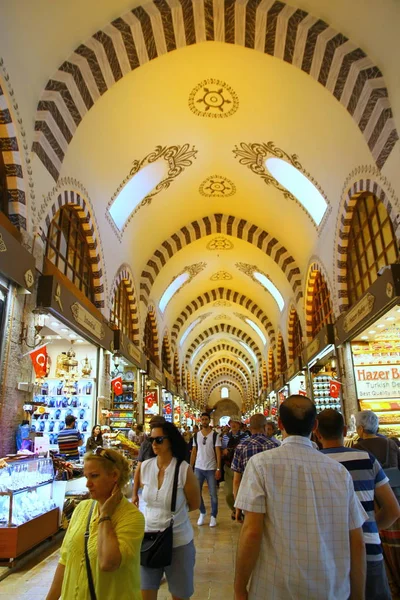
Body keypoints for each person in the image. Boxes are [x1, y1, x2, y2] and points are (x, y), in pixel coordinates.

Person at [234, 395, 368, 600]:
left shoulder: (260, 465)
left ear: (279, 424)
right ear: (315, 425)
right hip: (330, 589)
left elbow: (252, 532)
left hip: (274, 589)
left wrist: (239, 587)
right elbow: (356, 541)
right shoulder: (339, 472)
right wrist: (358, 595)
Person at [317, 408, 400, 600]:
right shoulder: (366, 460)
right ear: (345, 431)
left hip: (327, 554)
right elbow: (393, 509)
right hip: (368, 547)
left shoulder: (313, 463)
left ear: (316, 432)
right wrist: (369, 526)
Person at [46, 448, 144, 600]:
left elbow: (108, 563)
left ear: (114, 476)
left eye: (94, 476)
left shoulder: (132, 517)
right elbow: (65, 561)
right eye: (86, 477)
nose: (88, 484)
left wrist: (105, 516)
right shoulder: (82, 509)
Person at [140, 422, 200, 600]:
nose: (154, 444)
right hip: (149, 540)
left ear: (170, 441)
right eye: (151, 440)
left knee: (180, 595)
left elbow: (195, 503)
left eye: (159, 439)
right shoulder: (145, 467)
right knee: (145, 592)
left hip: (177, 541)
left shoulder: (183, 469)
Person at [355, 410, 400, 596]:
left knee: (380, 547)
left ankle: (391, 585)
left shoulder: (358, 450)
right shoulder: (391, 444)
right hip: (394, 498)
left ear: (360, 429)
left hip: (373, 504)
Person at [232, 413, 276, 521]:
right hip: (271, 498)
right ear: (265, 427)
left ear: (250, 428)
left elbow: (237, 481)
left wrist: (237, 507)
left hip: (249, 499)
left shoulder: (241, 447)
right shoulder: (274, 446)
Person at [190, 412, 222, 527]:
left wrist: (218, 468)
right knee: (197, 493)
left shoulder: (215, 435)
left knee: (213, 493)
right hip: (198, 467)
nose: (204, 421)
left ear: (209, 421)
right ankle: (202, 512)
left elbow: (218, 452)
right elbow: (194, 452)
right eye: (202, 419)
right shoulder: (196, 435)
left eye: (206, 419)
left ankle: (213, 516)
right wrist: (190, 466)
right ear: (200, 421)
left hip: (211, 468)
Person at [132, 416, 166, 507]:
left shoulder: (169, 444)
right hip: (149, 489)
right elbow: (139, 469)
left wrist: (135, 494)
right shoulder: (146, 443)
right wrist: (134, 493)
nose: (155, 444)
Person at [221, 415, 248, 520]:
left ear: (239, 425)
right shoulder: (225, 437)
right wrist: (225, 452)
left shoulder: (245, 437)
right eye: (232, 422)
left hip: (240, 468)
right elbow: (222, 450)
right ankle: (235, 509)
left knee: (240, 492)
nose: (234, 425)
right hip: (229, 467)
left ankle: (240, 511)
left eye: (236, 423)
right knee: (228, 494)